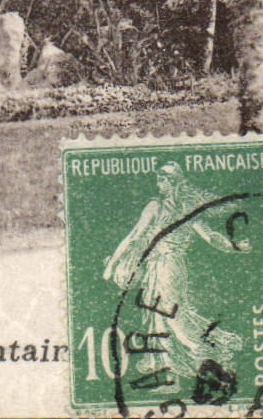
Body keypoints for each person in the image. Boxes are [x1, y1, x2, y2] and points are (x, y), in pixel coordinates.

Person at [102, 162, 244, 382]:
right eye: (159, 179)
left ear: (173, 183)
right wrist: (234, 246)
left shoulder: (156, 207)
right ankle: (167, 364)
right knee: (163, 315)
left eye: (163, 179)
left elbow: (134, 236)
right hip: (170, 268)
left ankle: (206, 351)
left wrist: (112, 264)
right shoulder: (186, 209)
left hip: (165, 268)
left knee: (171, 316)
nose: (160, 184)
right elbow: (211, 238)